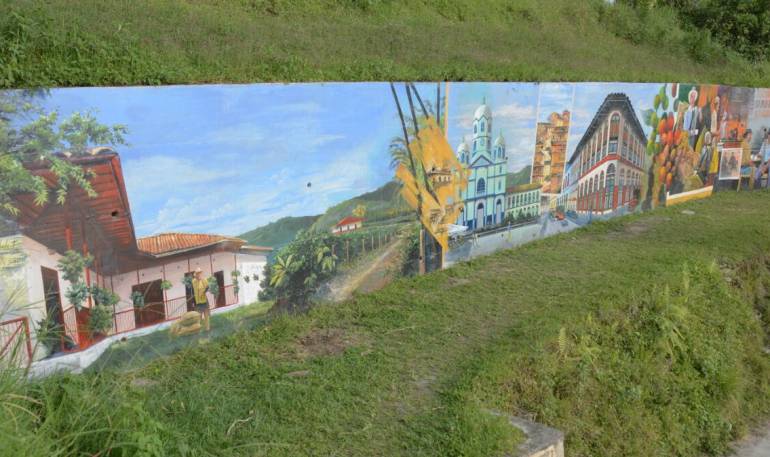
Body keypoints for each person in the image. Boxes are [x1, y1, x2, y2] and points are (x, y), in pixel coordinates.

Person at [191, 268, 211, 332]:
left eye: (199, 273)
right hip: (197, 302)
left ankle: (207, 329)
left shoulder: (204, 280)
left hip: (204, 301)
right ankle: (198, 329)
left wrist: (204, 291)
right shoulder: (193, 281)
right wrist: (193, 301)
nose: (199, 275)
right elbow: (192, 291)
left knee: (206, 316)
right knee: (198, 317)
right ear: (195, 275)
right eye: (197, 274)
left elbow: (208, 287)